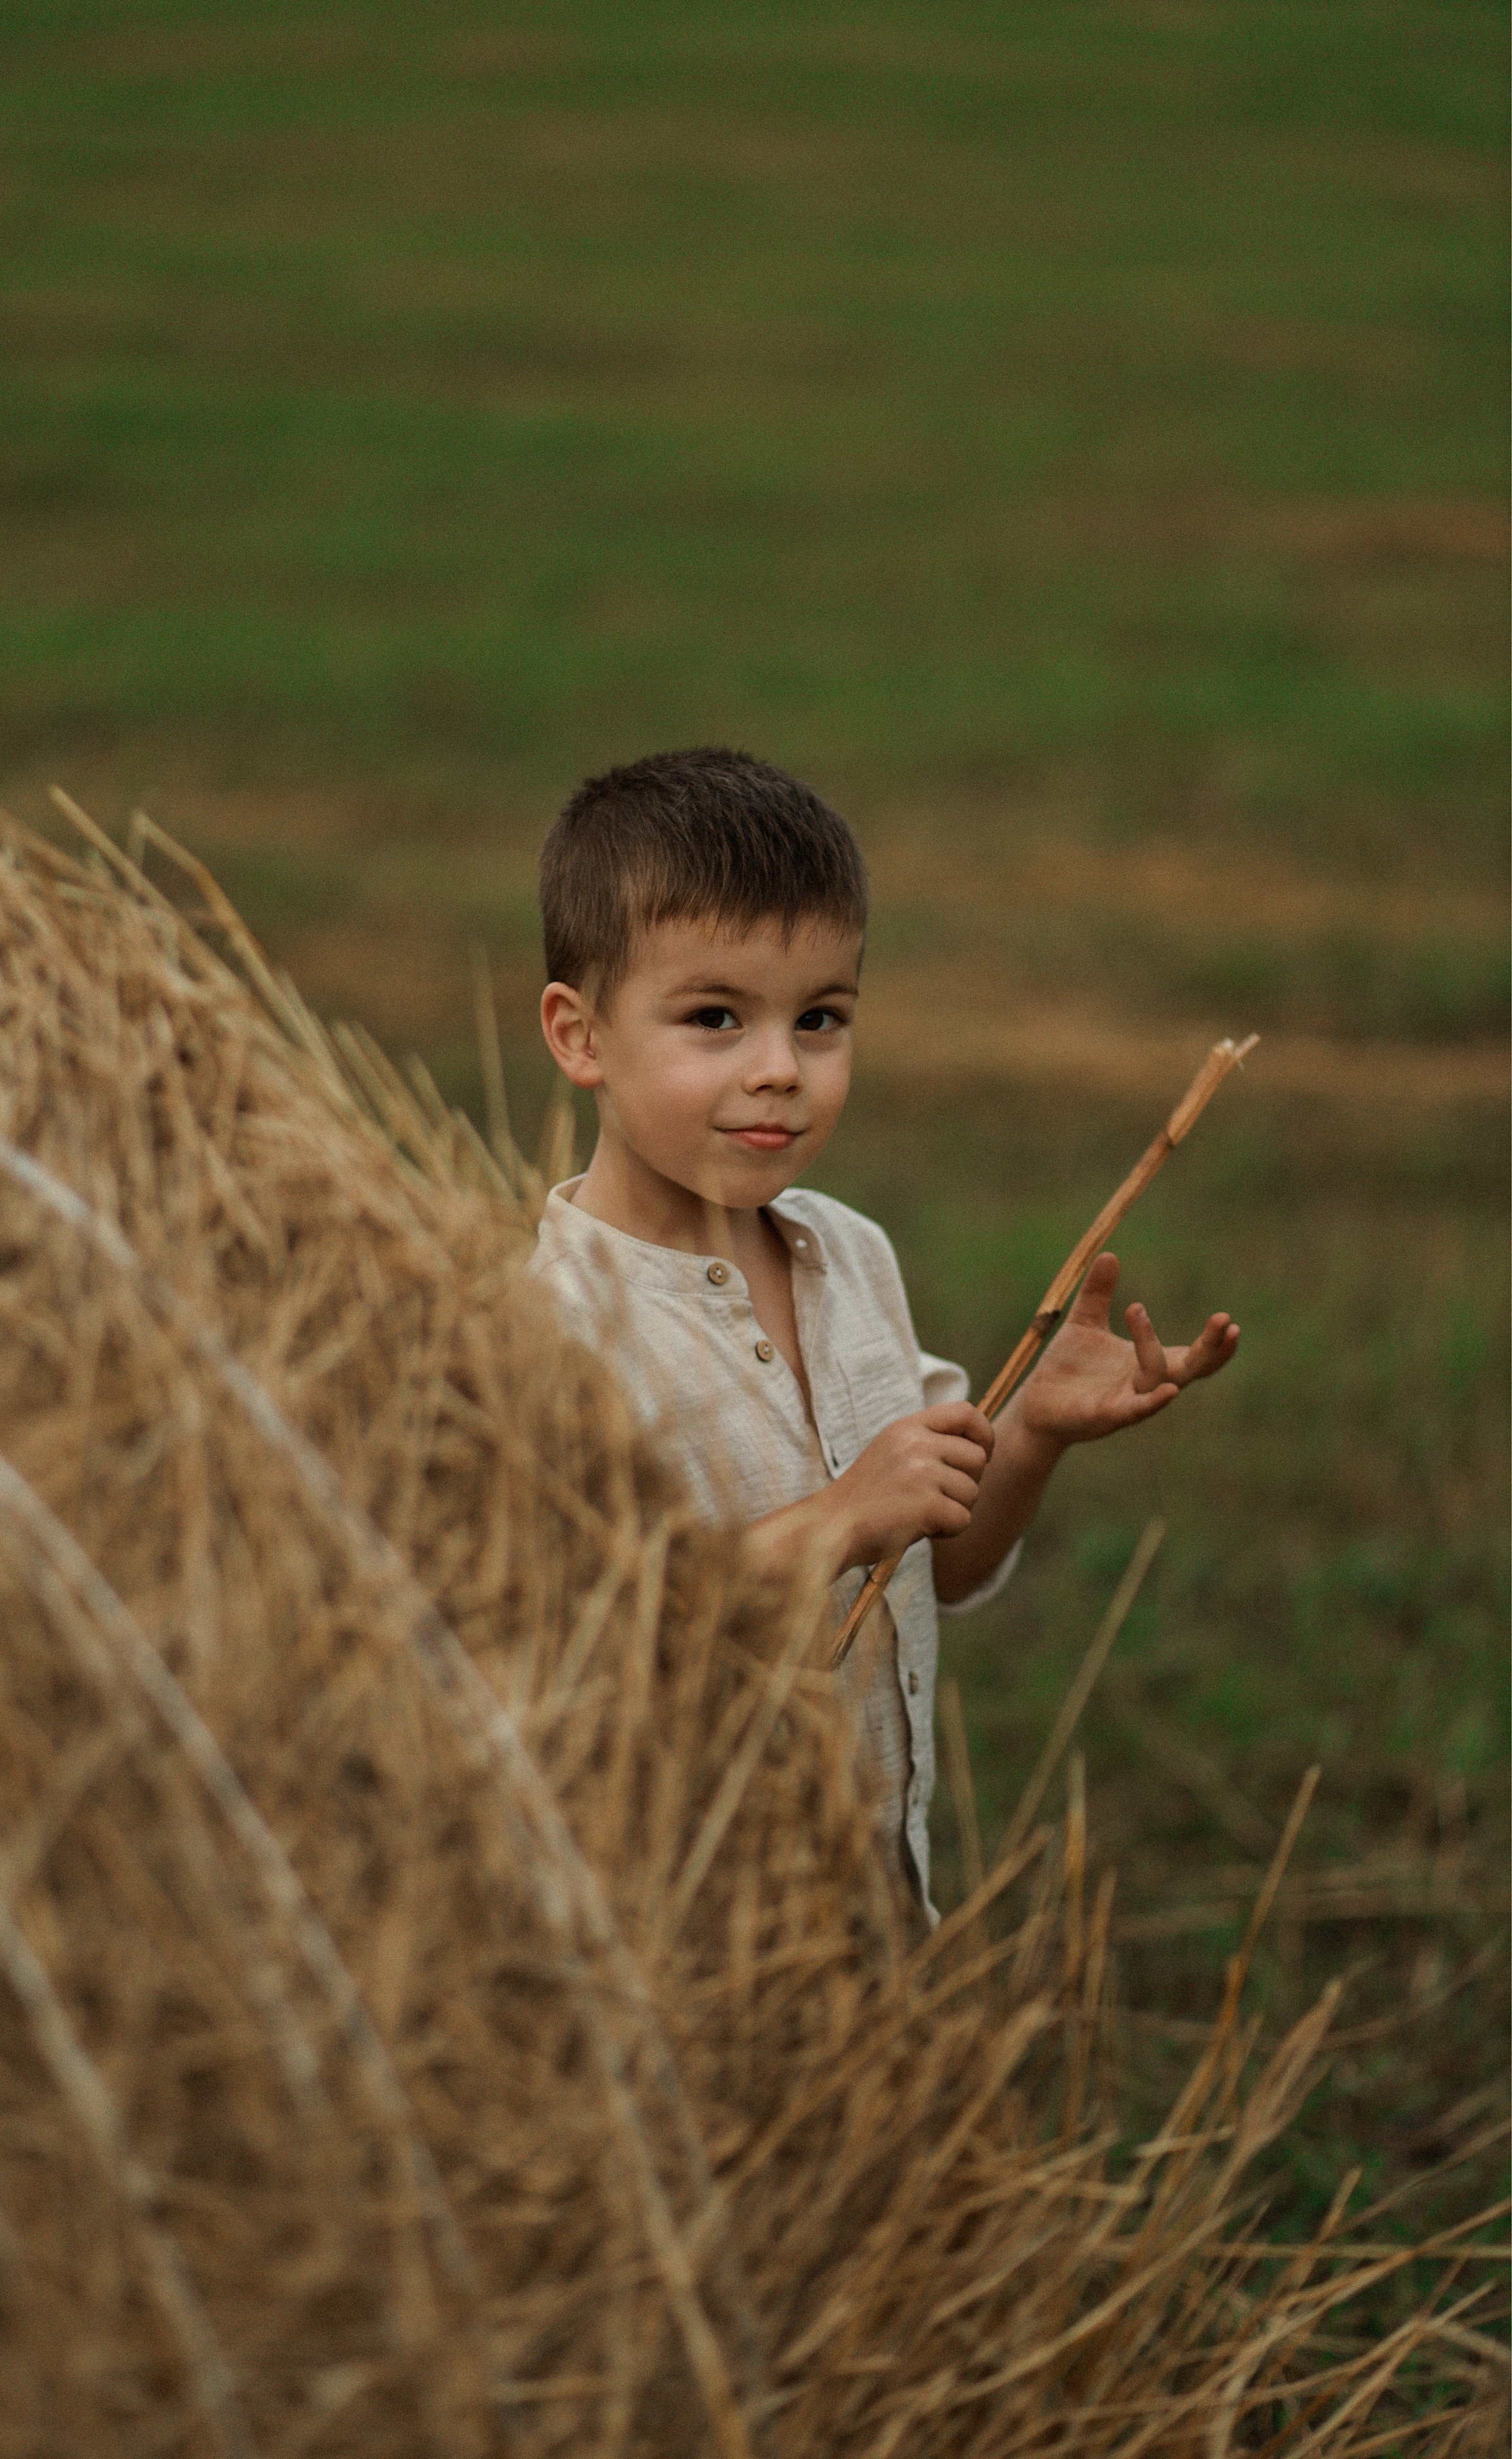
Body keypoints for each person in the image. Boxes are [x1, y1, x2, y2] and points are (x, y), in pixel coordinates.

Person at [529, 747, 1239, 1920]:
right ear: (580, 1035)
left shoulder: (849, 1257)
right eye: (715, 1018)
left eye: (821, 1019)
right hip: (682, 1952)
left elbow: (940, 1562)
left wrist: (1028, 1435)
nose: (779, 1070)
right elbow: (585, 1656)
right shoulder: (552, 1331)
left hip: (874, 1920)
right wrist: (836, 1517)